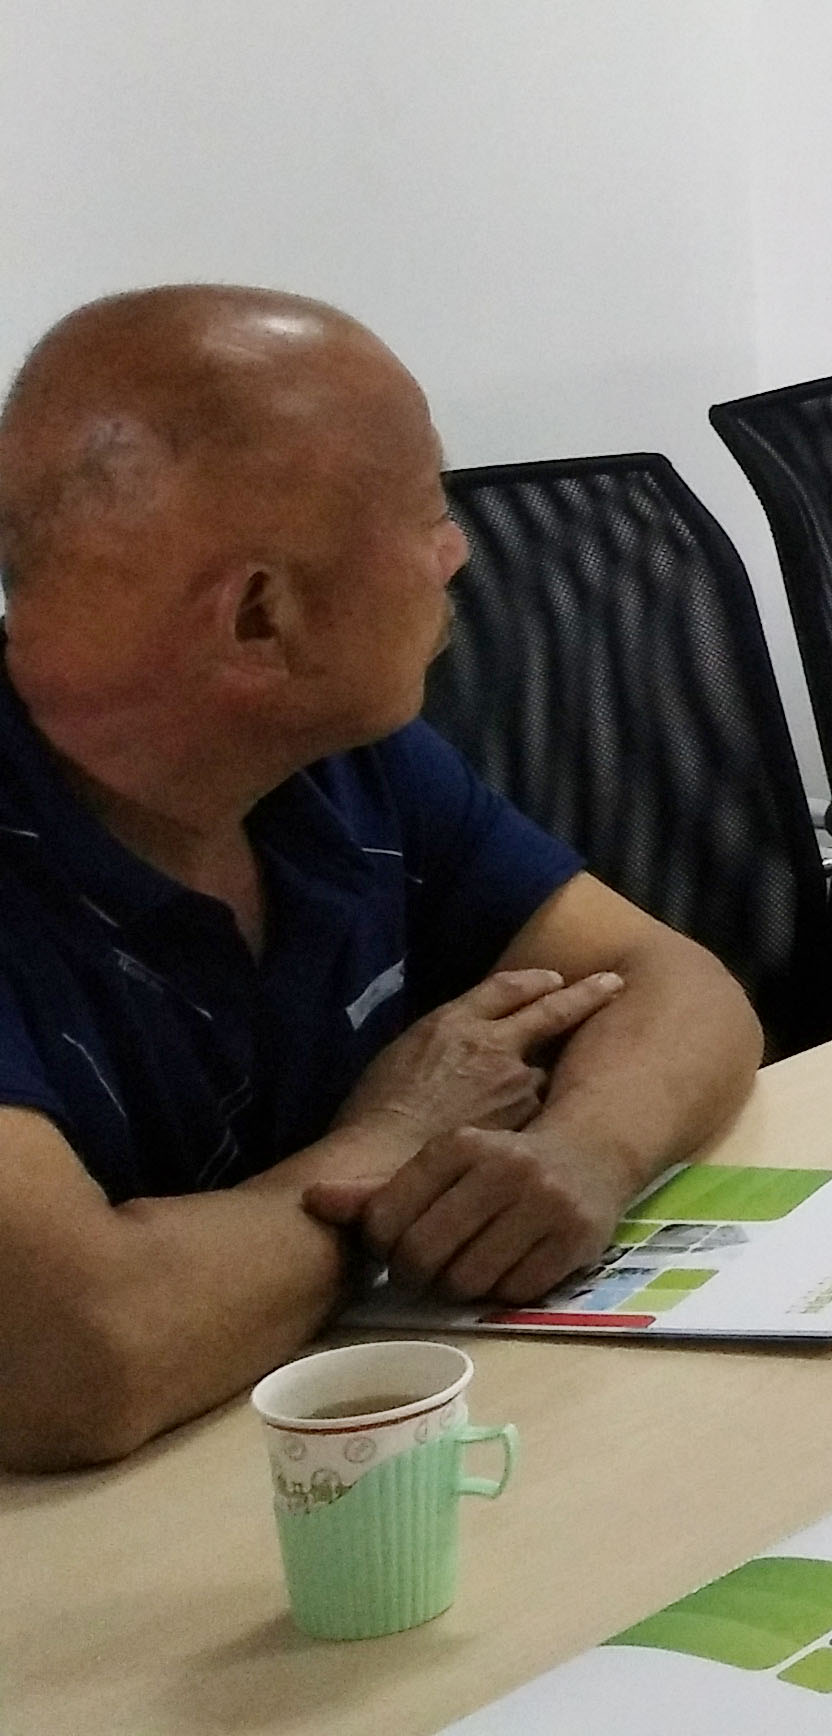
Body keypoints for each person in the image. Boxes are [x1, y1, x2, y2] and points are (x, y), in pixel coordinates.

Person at [0, 287, 761, 1471]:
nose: (458, 551)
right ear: (263, 617)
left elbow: (672, 980)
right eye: (426, 516)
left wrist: (585, 1153)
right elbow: (82, 1360)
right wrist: (396, 1143)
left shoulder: (337, 761)